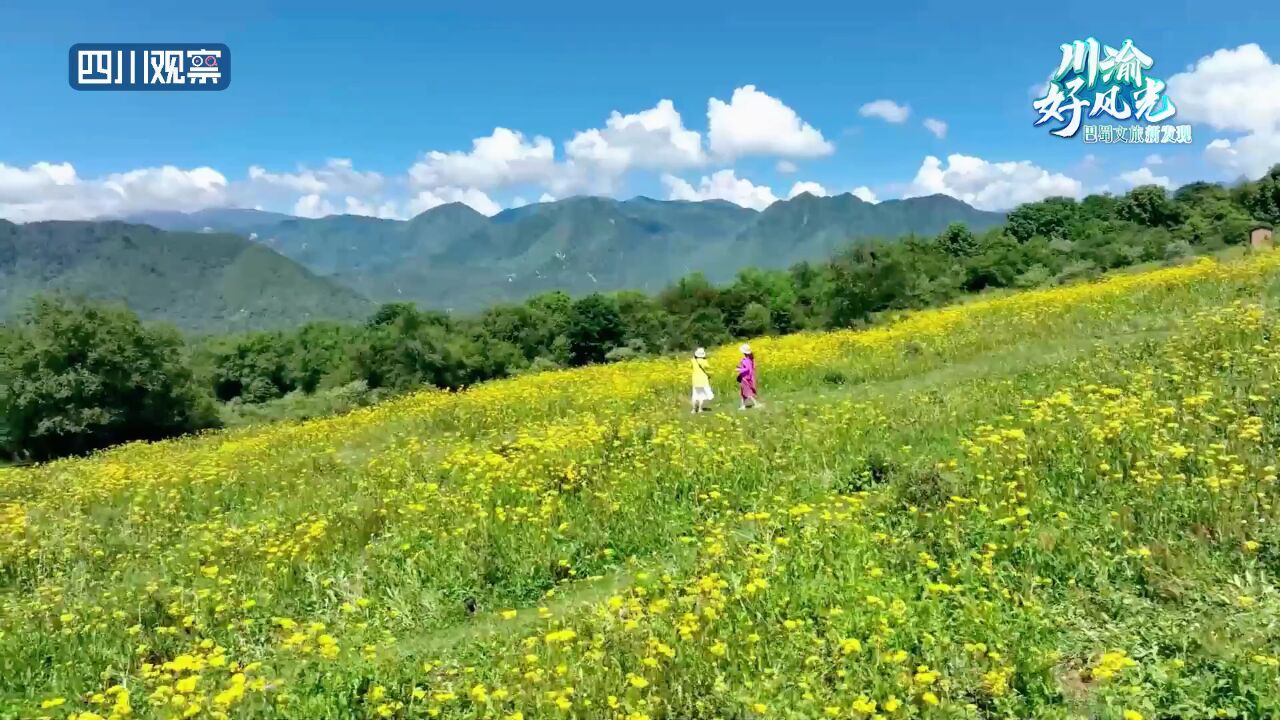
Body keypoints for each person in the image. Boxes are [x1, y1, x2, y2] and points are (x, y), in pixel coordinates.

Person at [736, 344, 762, 410]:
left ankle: (756, 404)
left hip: (745, 378)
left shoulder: (746, 360)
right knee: (743, 393)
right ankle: (743, 406)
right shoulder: (749, 359)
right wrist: (740, 367)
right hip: (745, 377)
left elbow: (747, 369)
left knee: (747, 393)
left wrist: (739, 369)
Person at [690, 347, 713, 413]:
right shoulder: (704, 361)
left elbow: (691, 366)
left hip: (695, 380)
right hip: (703, 380)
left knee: (695, 395)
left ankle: (694, 410)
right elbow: (708, 367)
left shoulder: (693, 360)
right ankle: (700, 409)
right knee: (701, 395)